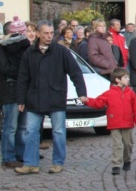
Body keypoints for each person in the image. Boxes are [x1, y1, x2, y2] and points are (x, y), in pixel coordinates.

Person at [14, 21, 87, 175]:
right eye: (45, 33)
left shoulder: (61, 51)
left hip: (56, 97)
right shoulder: (29, 53)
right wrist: (20, 99)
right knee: (31, 132)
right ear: (39, 34)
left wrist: (81, 93)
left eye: (51, 33)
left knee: (59, 132)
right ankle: (30, 163)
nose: (48, 36)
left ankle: (58, 162)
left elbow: (75, 73)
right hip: (34, 99)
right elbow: (23, 78)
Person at [83, 67, 136, 175]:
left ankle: (127, 160)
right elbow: (98, 103)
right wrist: (87, 101)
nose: (128, 79)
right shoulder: (109, 93)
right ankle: (116, 164)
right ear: (117, 80)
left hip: (127, 123)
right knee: (117, 144)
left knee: (128, 144)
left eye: (127, 77)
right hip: (114, 123)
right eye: (125, 77)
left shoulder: (131, 93)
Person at [1, 17, 31, 169]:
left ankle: (13, 156)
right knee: (16, 126)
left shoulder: (4, 47)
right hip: (17, 89)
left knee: (14, 126)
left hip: (12, 88)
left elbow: (5, 69)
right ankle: (10, 156)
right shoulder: (27, 48)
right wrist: (23, 74)